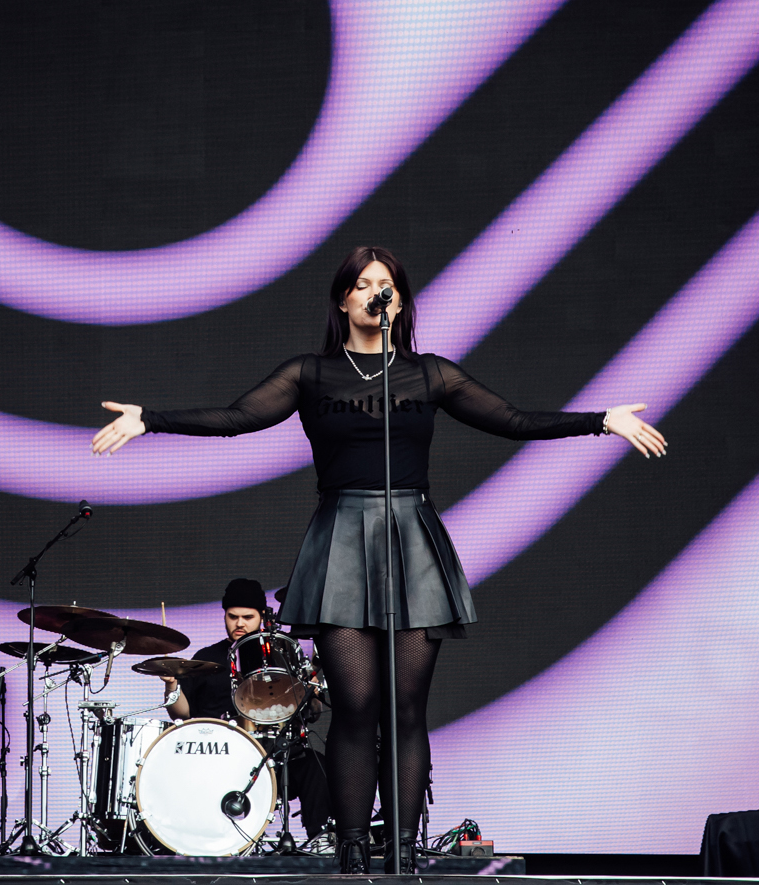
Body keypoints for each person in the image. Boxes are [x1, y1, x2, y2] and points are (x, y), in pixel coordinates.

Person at [91, 246, 666, 872]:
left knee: (408, 708)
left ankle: (402, 844)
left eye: (384, 285)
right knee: (357, 706)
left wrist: (600, 421)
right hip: (340, 537)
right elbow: (237, 418)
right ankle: (353, 845)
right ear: (343, 301)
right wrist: (152, 420)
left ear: (399, 299)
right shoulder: (311, 373)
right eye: (362, 285)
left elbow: (513, 420)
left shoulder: (429, 375)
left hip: (410, 541)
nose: (373, 293)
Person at [161, 578, 333, 839]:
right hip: (222, 758)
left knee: (316, 766)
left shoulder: (283, 653)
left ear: (262, 617)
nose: (239, 623)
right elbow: (182, 714)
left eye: (247, 617)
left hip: (277, 755)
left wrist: (312, 693)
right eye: (232, 616)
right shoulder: (207, 657)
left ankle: (321, 840)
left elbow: (313, 712)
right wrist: (172, 684)